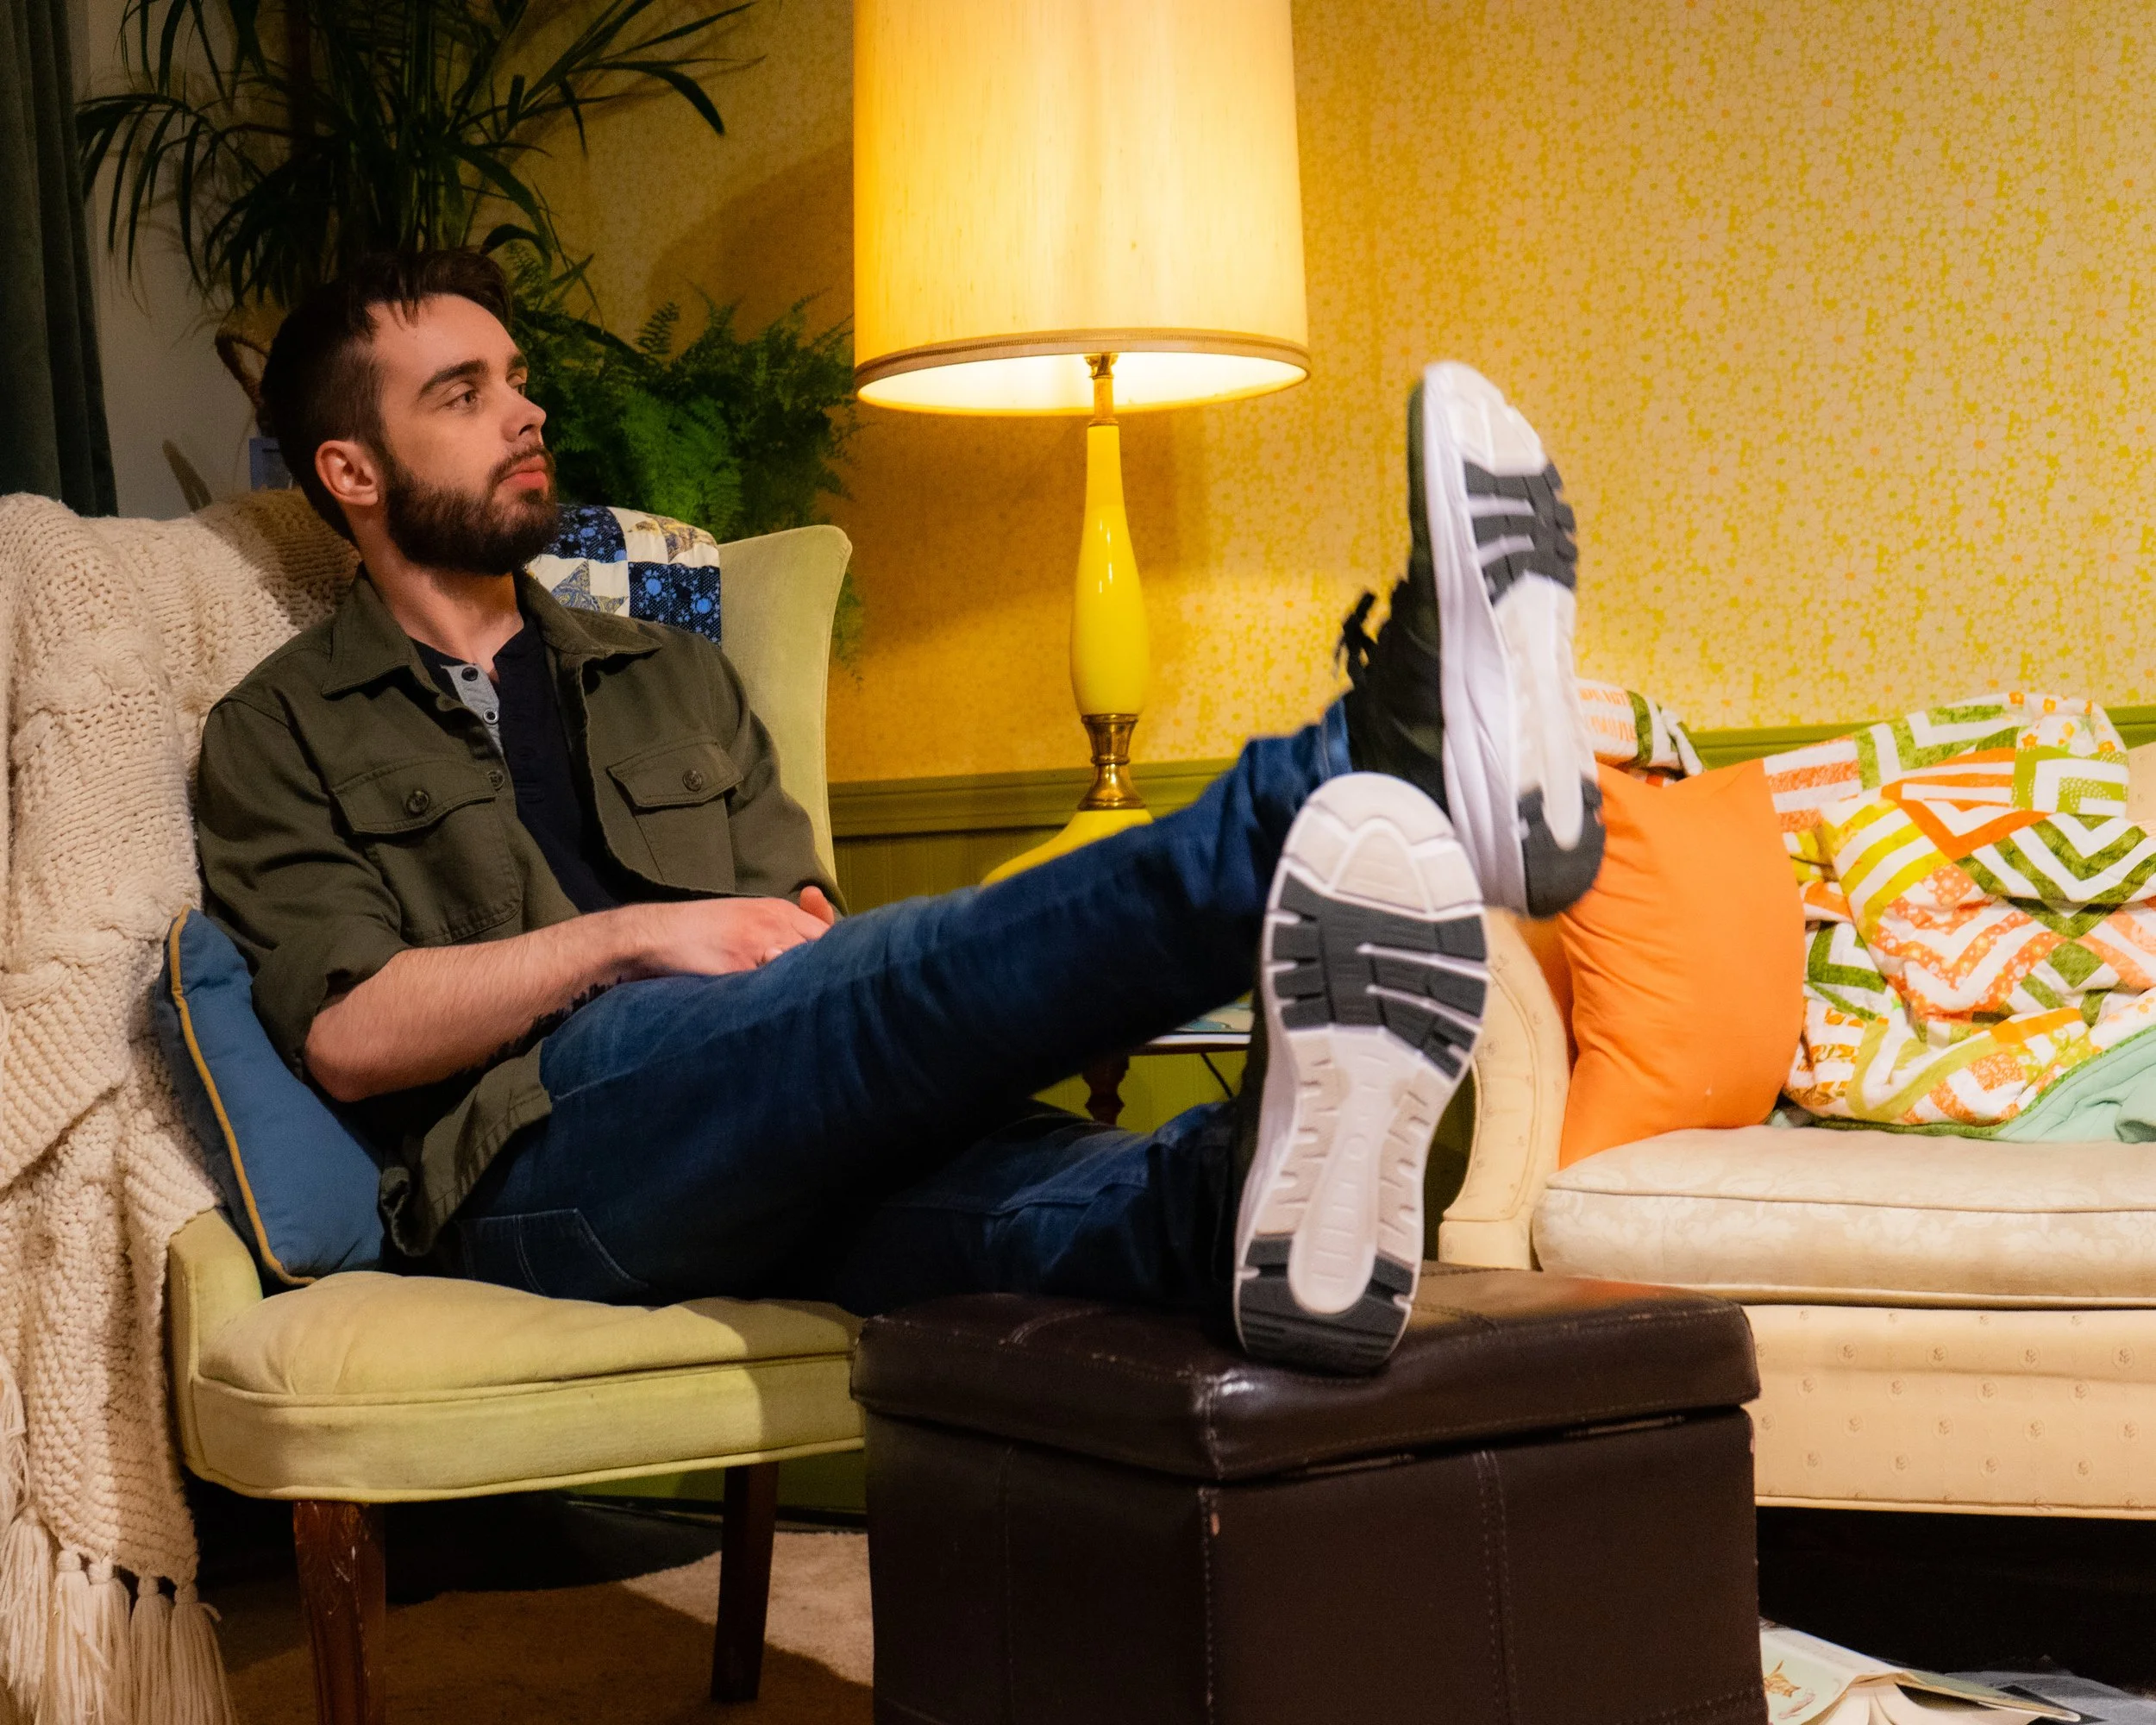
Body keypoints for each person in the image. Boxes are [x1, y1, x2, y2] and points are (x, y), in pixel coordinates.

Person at [197, 249, 1603, 1376]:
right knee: (886, 1007)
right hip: (530, 1179)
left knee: (1011, 1188)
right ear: (352, 472)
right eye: (461, 393)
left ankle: (1239, 1205)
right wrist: (626, 942)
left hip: (760, 1106)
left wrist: (776, 971)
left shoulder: (672, 674)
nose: (526, 409)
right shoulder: (278, 729)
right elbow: (348, 1035)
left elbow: (800, 939)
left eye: (517, 377)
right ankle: (1373, 755)